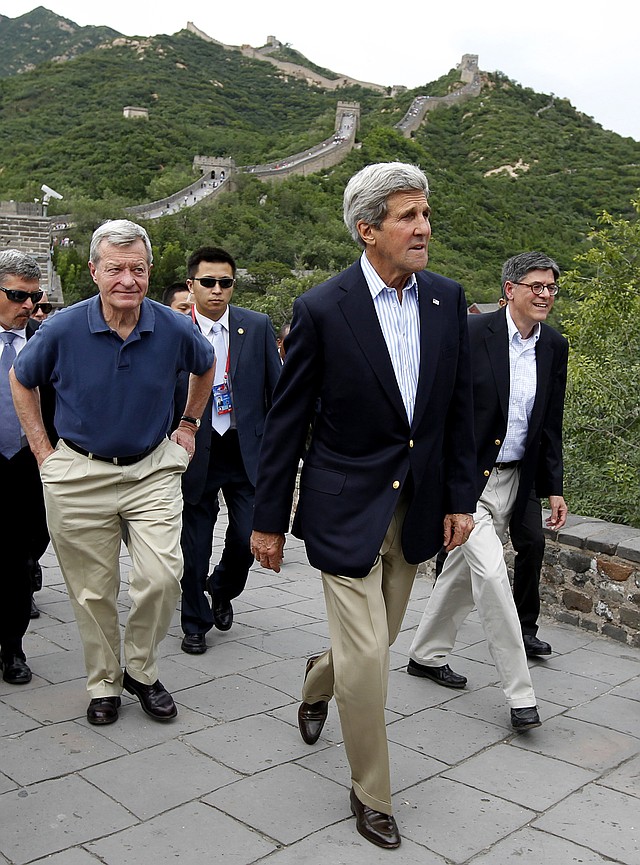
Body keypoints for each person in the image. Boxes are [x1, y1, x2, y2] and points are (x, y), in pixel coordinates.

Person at [250, 162, 476, 849]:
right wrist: (265, 518)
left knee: (370, 650)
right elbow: (286, 422)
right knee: (372, 665)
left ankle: (319, 681)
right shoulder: (323, 307)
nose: (425, 227)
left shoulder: (446, 300)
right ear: (367, 228)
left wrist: (461, 498)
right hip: (343, 507)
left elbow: (459, 410)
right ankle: (371, 790)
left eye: (426, 214)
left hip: (417, 510)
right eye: (408, 216)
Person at [10, 219, 214, 726]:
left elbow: (205, 366)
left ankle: (142, 670)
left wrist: (188, 424)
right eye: (115, 268)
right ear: (94, 272)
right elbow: (22, 379)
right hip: (79, 474)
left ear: (150, 272)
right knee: (92, 591)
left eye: (138, 269)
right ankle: (104, 681)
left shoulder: (173, 326)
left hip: (150, 471)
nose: (128, 279)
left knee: (163, 576)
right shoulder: (61, 327)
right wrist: (42, 450)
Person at [408, 251, 568, 731]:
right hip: (466, 482)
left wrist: (552, 488)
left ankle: (425, 654)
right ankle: (521, 695)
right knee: (493, 577)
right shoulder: (473, 334)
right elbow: (437, 406)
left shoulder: (554, 346)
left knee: (459, 572)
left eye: (551, 288)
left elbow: (549, 425)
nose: (545, 295)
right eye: (536, 286)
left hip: (516, 481)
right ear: (510, 289)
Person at [177, 246, 281, 655]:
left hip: (244, 450)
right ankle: (194, 622)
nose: (217, 290)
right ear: (192, 285)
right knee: (193, 546)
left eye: (225, 283)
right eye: (208, 282)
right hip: (195, 451)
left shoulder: (255, 327)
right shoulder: (173, 328)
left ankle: (221, 588)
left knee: (245, 538)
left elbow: (278, 390)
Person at [0, 250, 53, 684]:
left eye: (34, 296)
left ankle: (12, 649)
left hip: (28, 468)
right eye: (18, 294)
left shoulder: (45, 340)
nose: (28, 305)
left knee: (21, 561)